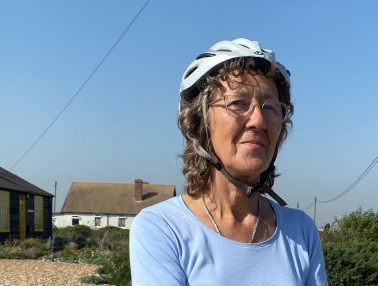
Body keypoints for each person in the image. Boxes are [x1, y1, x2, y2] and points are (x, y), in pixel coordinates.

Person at [130, 38, 328, 285]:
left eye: (270, 107)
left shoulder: (301, 230)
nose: (258, 120)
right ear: (200, 124)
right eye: (237, 103)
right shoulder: (164, 228)